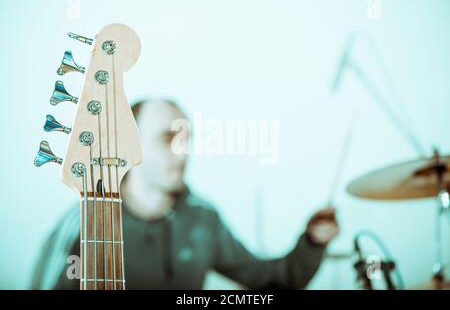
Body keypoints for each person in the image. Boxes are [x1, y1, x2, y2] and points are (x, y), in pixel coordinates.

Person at [32, 99, 339, 289]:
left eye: (187, 138)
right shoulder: (84, 223)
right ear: (129, 146)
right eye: (168, 138)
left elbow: (273, 281)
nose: (183, 151)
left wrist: (312, 243)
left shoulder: (202, 218)